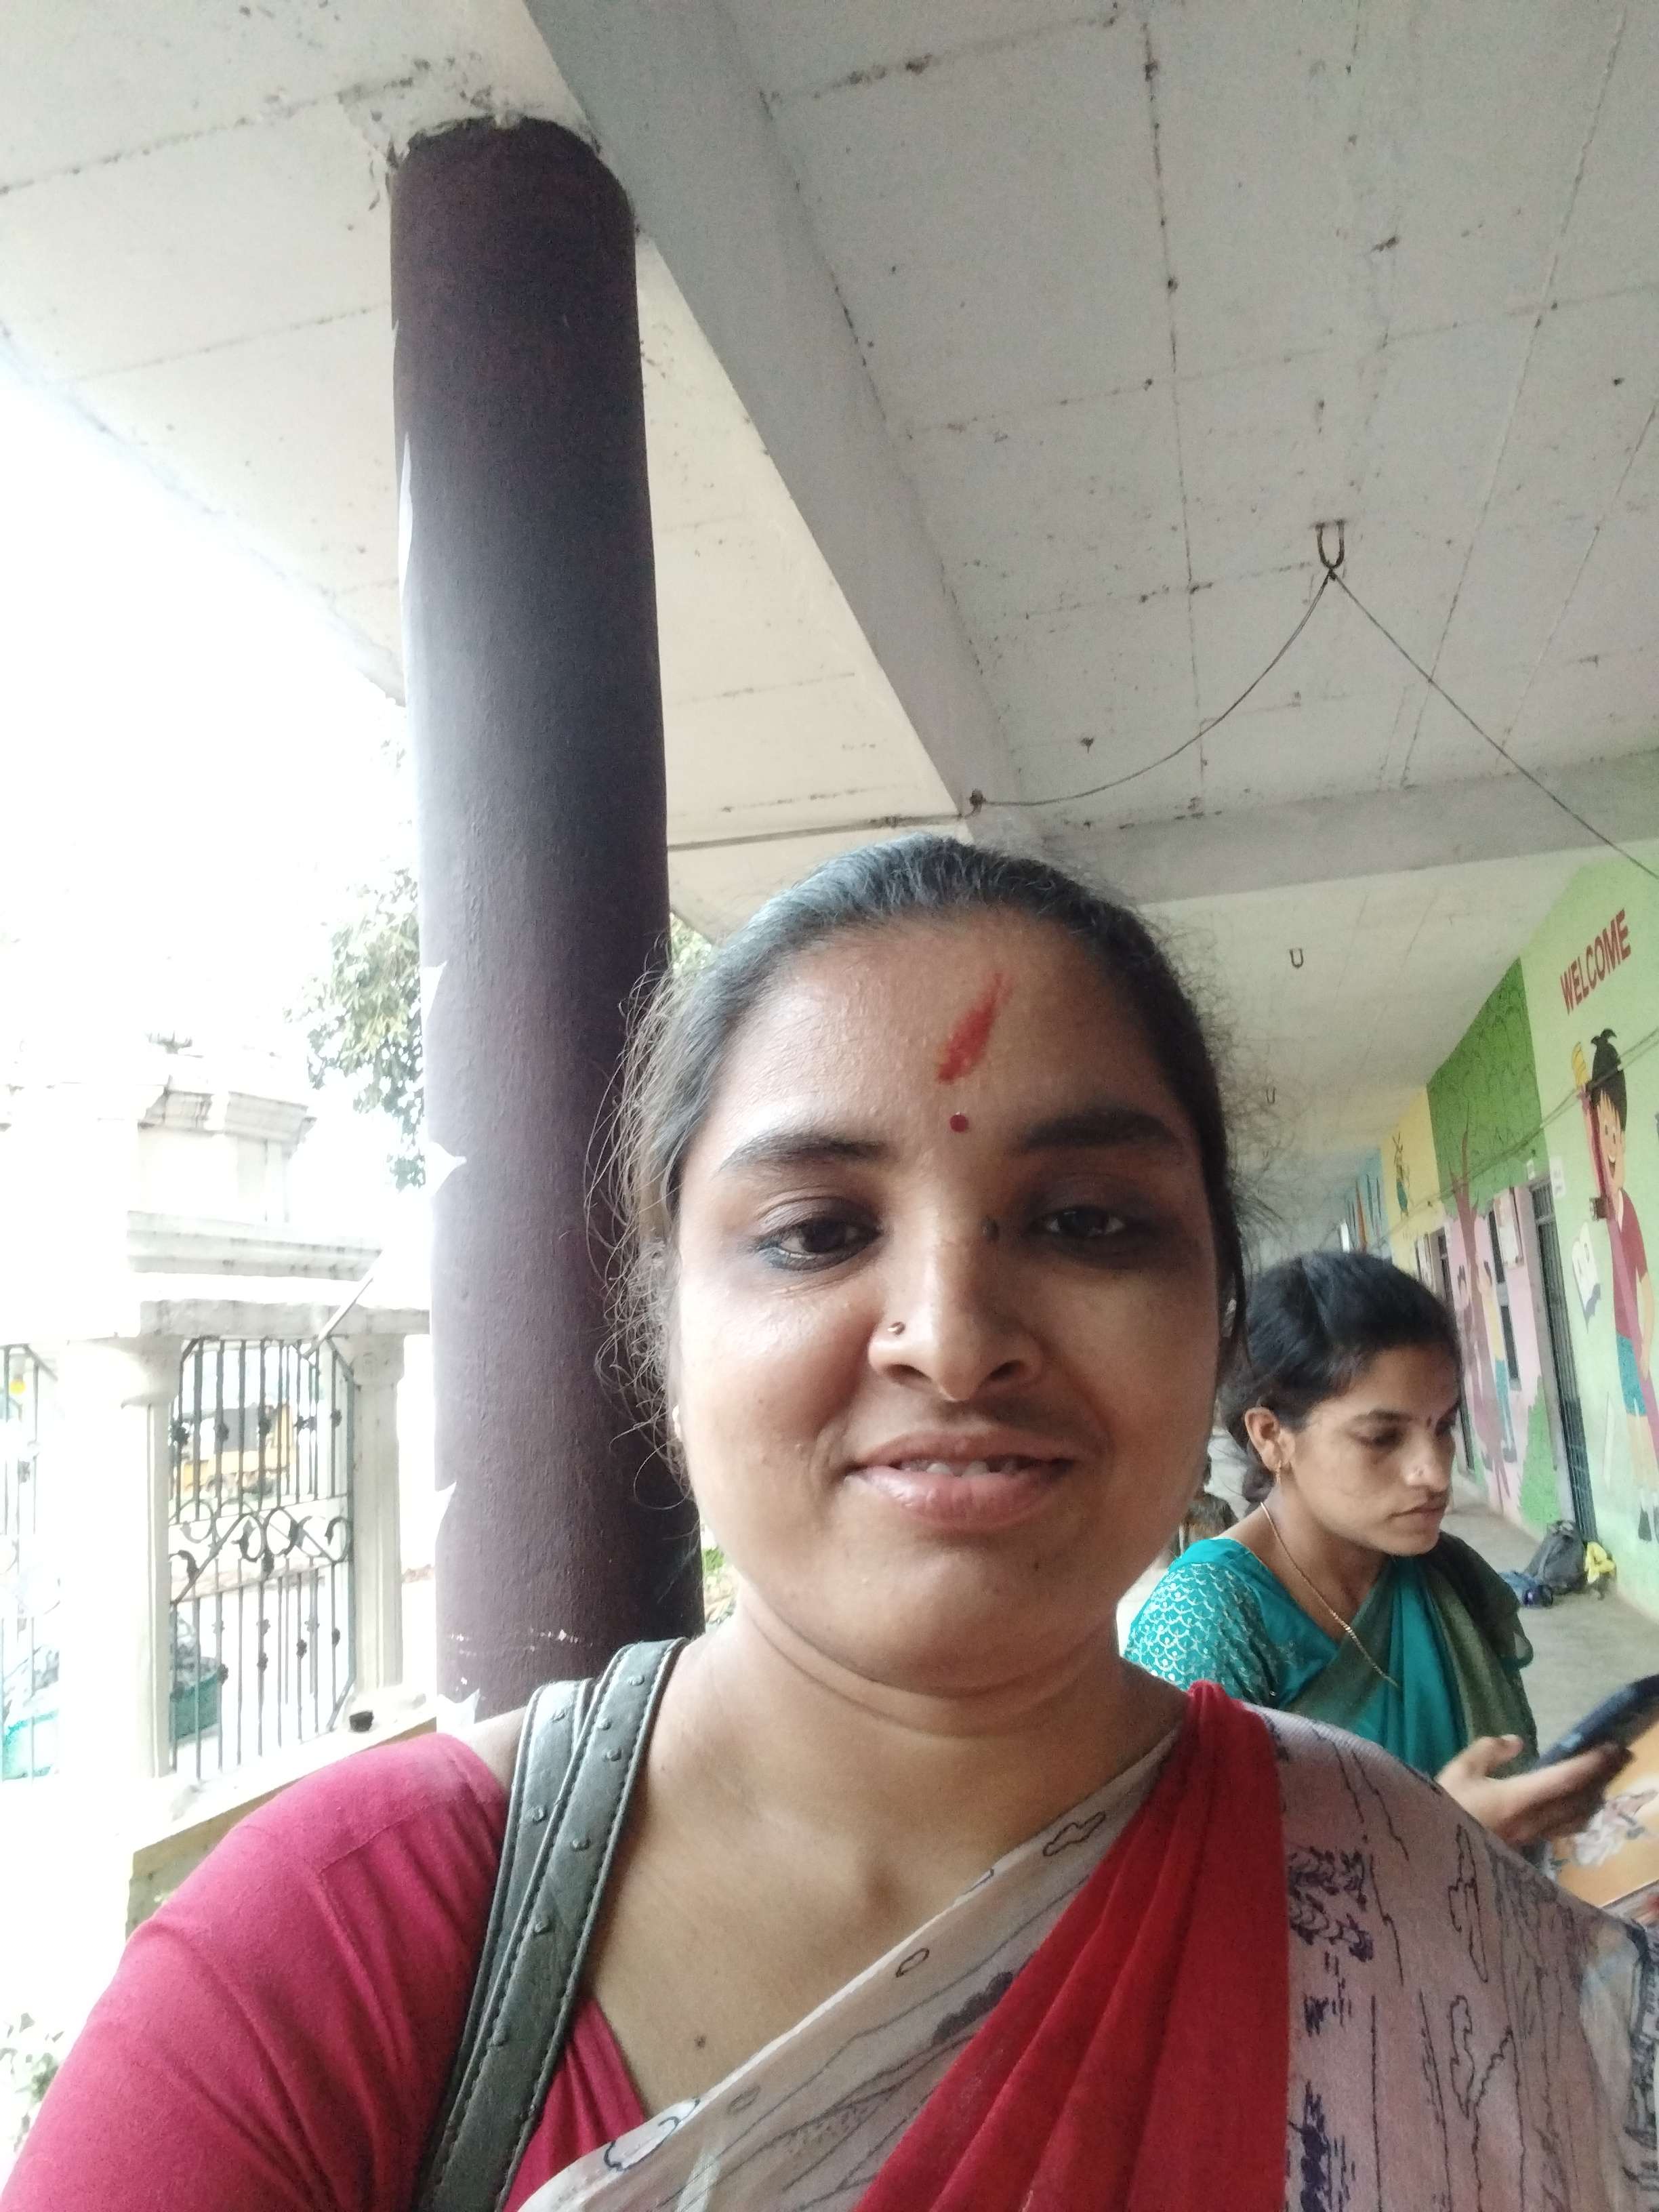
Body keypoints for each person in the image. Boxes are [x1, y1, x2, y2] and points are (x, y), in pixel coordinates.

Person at [8, 838, 1656, 2212]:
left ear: (1215, 1317)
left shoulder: (1421, 1914)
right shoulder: (327, 1958)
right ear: (665, 1337)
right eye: (812, 1233)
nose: (951, 1336)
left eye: (1087, 1221)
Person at [1125, 1248, 1619, 1847]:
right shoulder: (1209, 1620)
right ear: (1272, 1436)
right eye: (1382, 1437)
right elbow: (1177, 1874)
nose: (1434, 1472)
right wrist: (1440, 1838)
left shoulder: (1447, 1574)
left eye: (1443, 1426)